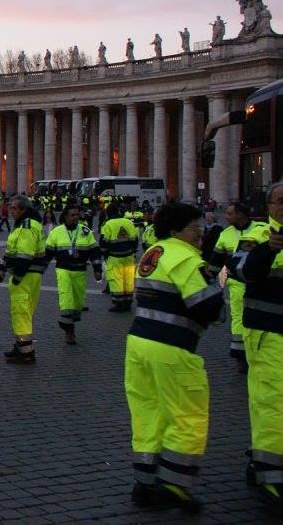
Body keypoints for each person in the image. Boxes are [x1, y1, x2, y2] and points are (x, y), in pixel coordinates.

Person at [125, 202, 223, 513]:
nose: (200, 233)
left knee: (148, 413)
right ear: (176, 230)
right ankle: (174, 484)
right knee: (187, 415)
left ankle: (145, 482)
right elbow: (207, 307)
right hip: (172, 346)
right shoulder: (186, 258)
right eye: (195, 228)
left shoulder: (153, 253)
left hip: (138, 343)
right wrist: (218, 285)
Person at [238, 181, 283, 512]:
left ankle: (260, 458)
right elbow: (241, 271)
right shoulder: (256, 235)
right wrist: (269, 250)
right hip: (270, 334)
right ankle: (272, 475)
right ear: (269, 206)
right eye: (280, 201)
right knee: (273, 402)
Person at [209, 202, 269, 372]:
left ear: (240, 215)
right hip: (236, 284)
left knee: (261, 318)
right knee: (238, 319)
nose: (226, 217)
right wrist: (208, 282)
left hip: (260, 285)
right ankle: (240, 355)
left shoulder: (261, 229)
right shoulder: (225, 234)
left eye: (230, 214)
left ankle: (262, 351)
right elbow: (215, 263)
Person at [0, 195, 46, 364]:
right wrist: (2, 269)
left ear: (24, 210)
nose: (11, 211)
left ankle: (26, 353)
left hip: (25, 276)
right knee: (23, 312)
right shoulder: (22, 225)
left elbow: (24, 255)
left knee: (21, 313)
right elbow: (11, 251)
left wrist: (16, 278)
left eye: (14, 208)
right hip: (28, 275)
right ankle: (20, 346)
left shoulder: (27, 227)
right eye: (10, 208)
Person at [45, 205, 103, 344]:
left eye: (77, 214)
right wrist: (39, 269)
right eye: (72, 215)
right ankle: (69, 331)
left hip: (80, 271)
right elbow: (47, 254)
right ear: (65, 216)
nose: (76, 217)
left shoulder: (85, 231)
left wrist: (97, 269)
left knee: (78, 303)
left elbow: (94, 252)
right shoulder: (56, 232)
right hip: (63, 270)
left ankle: (69, 322)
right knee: (67, 300)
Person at [100, 203, 140, 312]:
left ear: (108, 213)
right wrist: (132, 251)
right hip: (129, 256)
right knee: (128, 279)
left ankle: (119, 303)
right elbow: (135, 239)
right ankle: (128, 303)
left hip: (114, 257)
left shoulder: (108, 224)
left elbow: (103, 242)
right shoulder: (128, 222)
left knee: (117, 280)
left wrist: (105, 254)